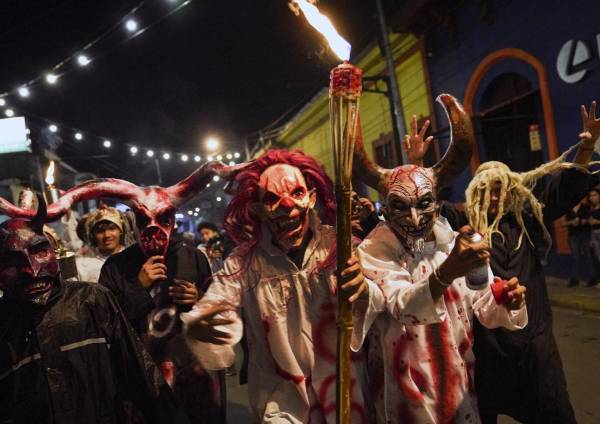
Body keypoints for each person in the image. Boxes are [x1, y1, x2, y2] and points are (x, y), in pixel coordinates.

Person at [354, 93, 528, 423]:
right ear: (385, 206)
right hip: (403, 394)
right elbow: (401, 306)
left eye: (424, 204)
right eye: (400, 206)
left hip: (461, 386)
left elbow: (484, 309)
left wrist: (508, 299)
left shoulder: (455, 243)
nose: (416, 218)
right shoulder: (375, 250)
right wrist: (446, 273)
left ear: (437, 200)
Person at [182, 149, 380, 423]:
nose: (287, 206)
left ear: (312, 198)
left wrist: (366, 291)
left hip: (347, 398)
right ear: (257, 209)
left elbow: (385, 302)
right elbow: (216, 303)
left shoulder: (342, 247)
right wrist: (205, 324)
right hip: (282, 405)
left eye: (297, 193)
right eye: (272, 199)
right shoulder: (244, 263)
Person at [460, 101, 600, 423]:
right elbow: (426, 220)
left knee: (556, 413)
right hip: (485, 355)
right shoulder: (463, 227)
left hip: (534, 350)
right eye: (487, 191)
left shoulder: (526, 219)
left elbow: (564, 190)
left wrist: (587, 145)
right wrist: (415, 164)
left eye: (500, 190)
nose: (494, 198)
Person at [0, 196, 188, 424]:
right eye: (12, 262)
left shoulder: (91, 298)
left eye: (39, 252)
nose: (31, 270)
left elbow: (139, 371)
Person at [75, 206, 126, 282]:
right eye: (100, 231)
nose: (107, 235)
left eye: (112, 229)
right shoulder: (81, 265)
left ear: (120, 231)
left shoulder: (132, 258)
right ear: (93, 235)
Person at [564, 200, 593, 287]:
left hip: (584, 233)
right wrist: (571, 222)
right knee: (575, 256)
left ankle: (593, 278)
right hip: (573, 235)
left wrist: (585, 221)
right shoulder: (568, 209)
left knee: (589, 255)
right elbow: (562, 223)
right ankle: (575, 279)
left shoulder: (585, 207)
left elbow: (591, 218)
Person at [587, 188, 600, 287]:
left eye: (594, 195)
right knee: (598, 257)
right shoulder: (591, 209)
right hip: (594, 234)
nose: (592, 198)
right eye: (591, 196)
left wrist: (597, 222)